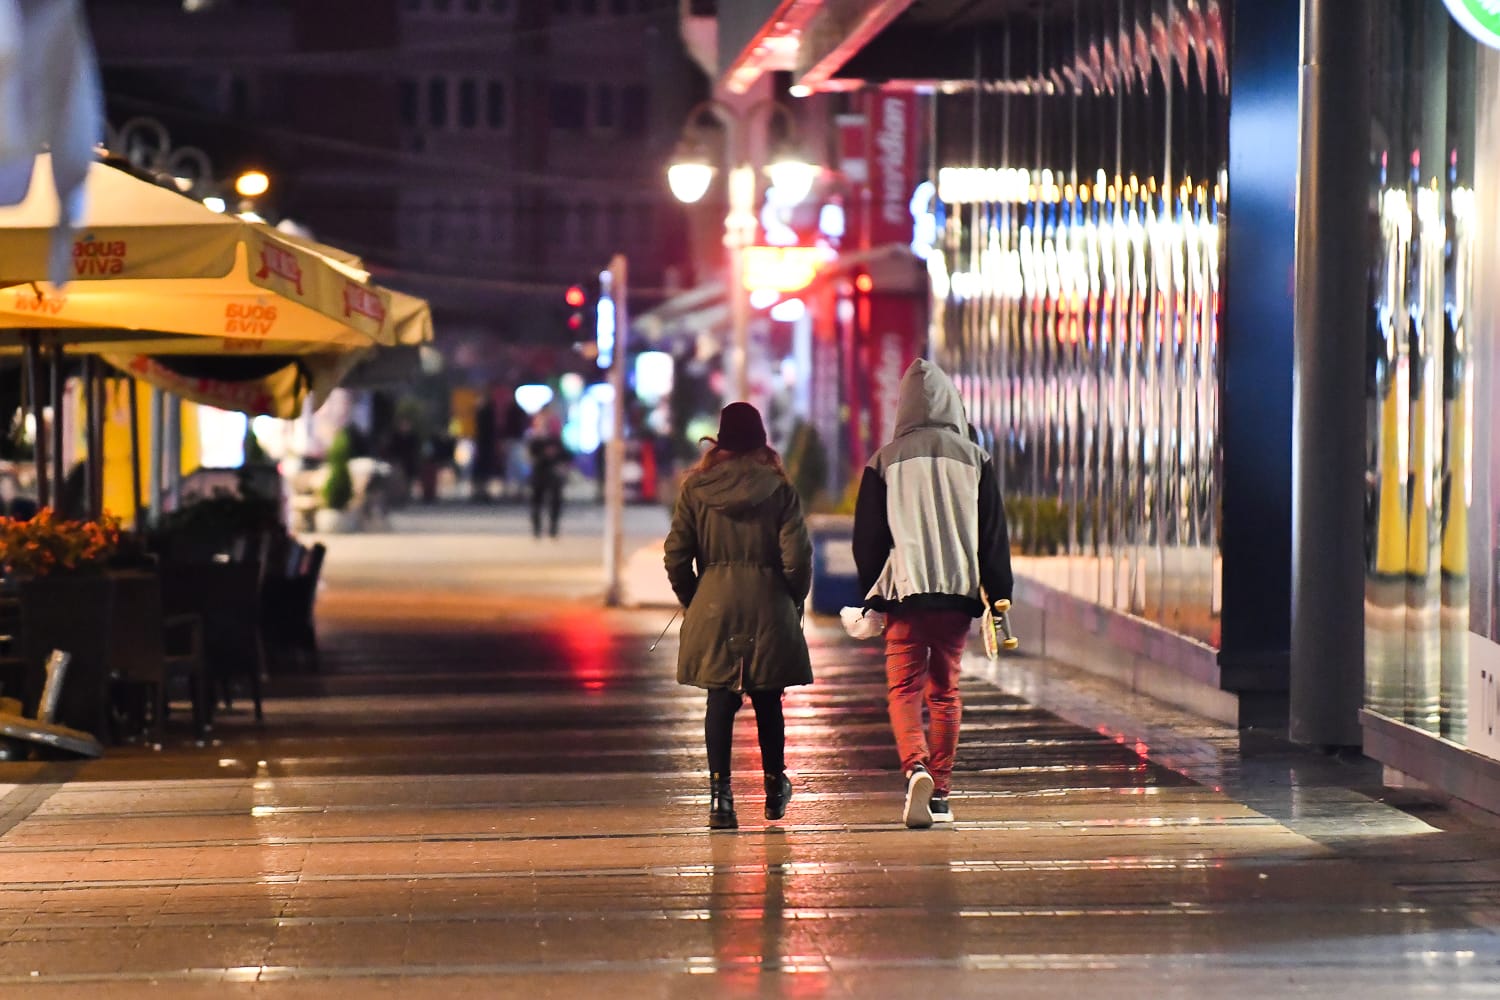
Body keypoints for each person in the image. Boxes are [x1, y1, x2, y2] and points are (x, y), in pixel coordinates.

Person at [852, 359, 1013, 829]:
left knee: (904, 690)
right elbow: (992, 535)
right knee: (945, 691)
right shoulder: (975, 458)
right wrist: (998, 593)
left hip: (906, 593)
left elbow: (868, 538)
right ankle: (940, 793)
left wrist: (872, 593)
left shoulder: (884, 460)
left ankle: (915, 767)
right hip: (957, 592)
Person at [664, 402, 812, 830]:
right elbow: (797, 558)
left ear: (720, 441)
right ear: (762, 441)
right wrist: (791, 599)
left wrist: (695, 598)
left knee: (720, 697)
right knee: (768, 698)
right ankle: (773, 788)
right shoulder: (780, 489)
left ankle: (720, 798)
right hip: (769, 604)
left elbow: (676, 555)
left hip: (713, 604)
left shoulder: (696, 490)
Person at [526, 411, 571, 538]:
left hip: (553, 475)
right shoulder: (534, 440)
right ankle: (537, 528)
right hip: (539, 474)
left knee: (555, 501)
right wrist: (544, 456)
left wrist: (561, 465)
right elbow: (531, 458)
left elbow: (565, 455)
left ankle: (553, 527)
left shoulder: (555, 440)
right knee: (537, 502)